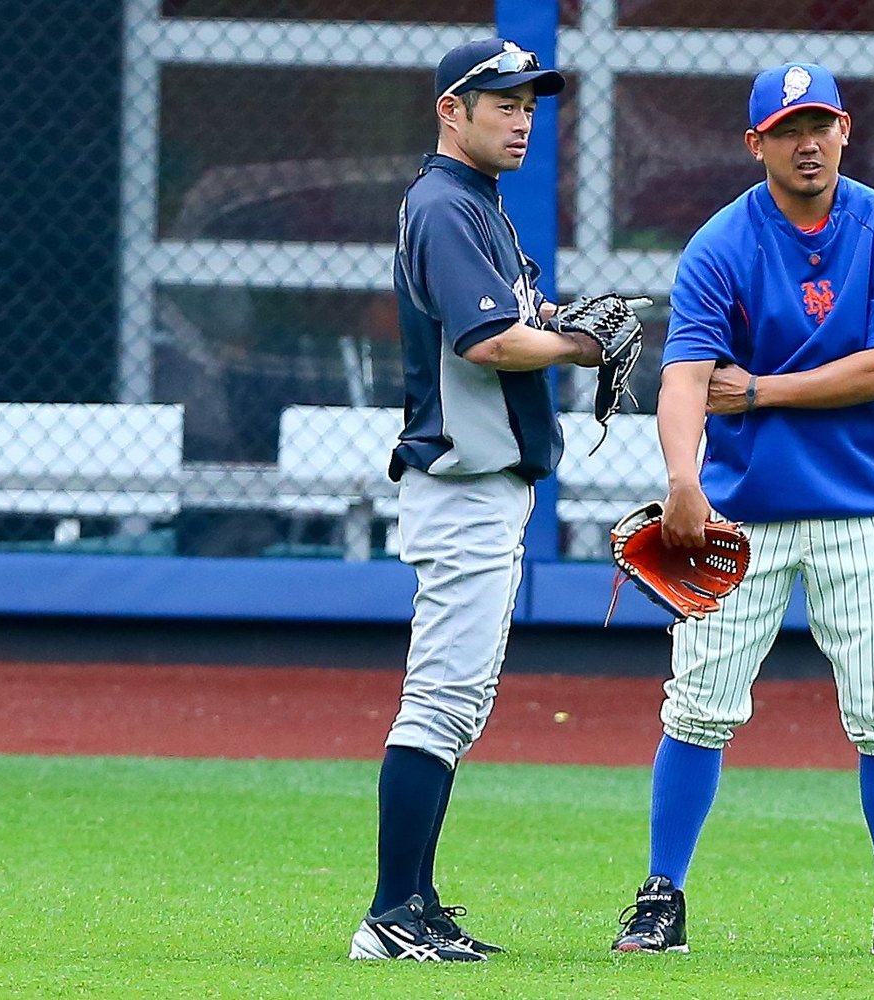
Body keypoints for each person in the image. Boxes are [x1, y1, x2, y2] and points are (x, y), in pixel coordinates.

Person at [609, 62, 874, 958]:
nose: (807, 143)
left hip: (862, 507)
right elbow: (686, 376)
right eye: (788, 129)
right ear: (755, 142)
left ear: (845, 131)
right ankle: (661, 894)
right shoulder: (722, 242)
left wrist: (759, 390)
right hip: (743, 513)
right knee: (697, 707)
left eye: (820, 125)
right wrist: (682, 479)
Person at [347, 38, 608, 963]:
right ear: (450, 111)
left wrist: (560, 323)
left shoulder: (477, 203)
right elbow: (488, 341)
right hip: (461, 485)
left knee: (456, 702)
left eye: (530, 104)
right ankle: (390, 916)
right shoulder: (447, 204)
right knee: (441, 700)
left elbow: (512, 321)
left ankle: (415, 904)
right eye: (503, 103)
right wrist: (578, 346)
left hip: (483, 485)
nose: (523, 119)